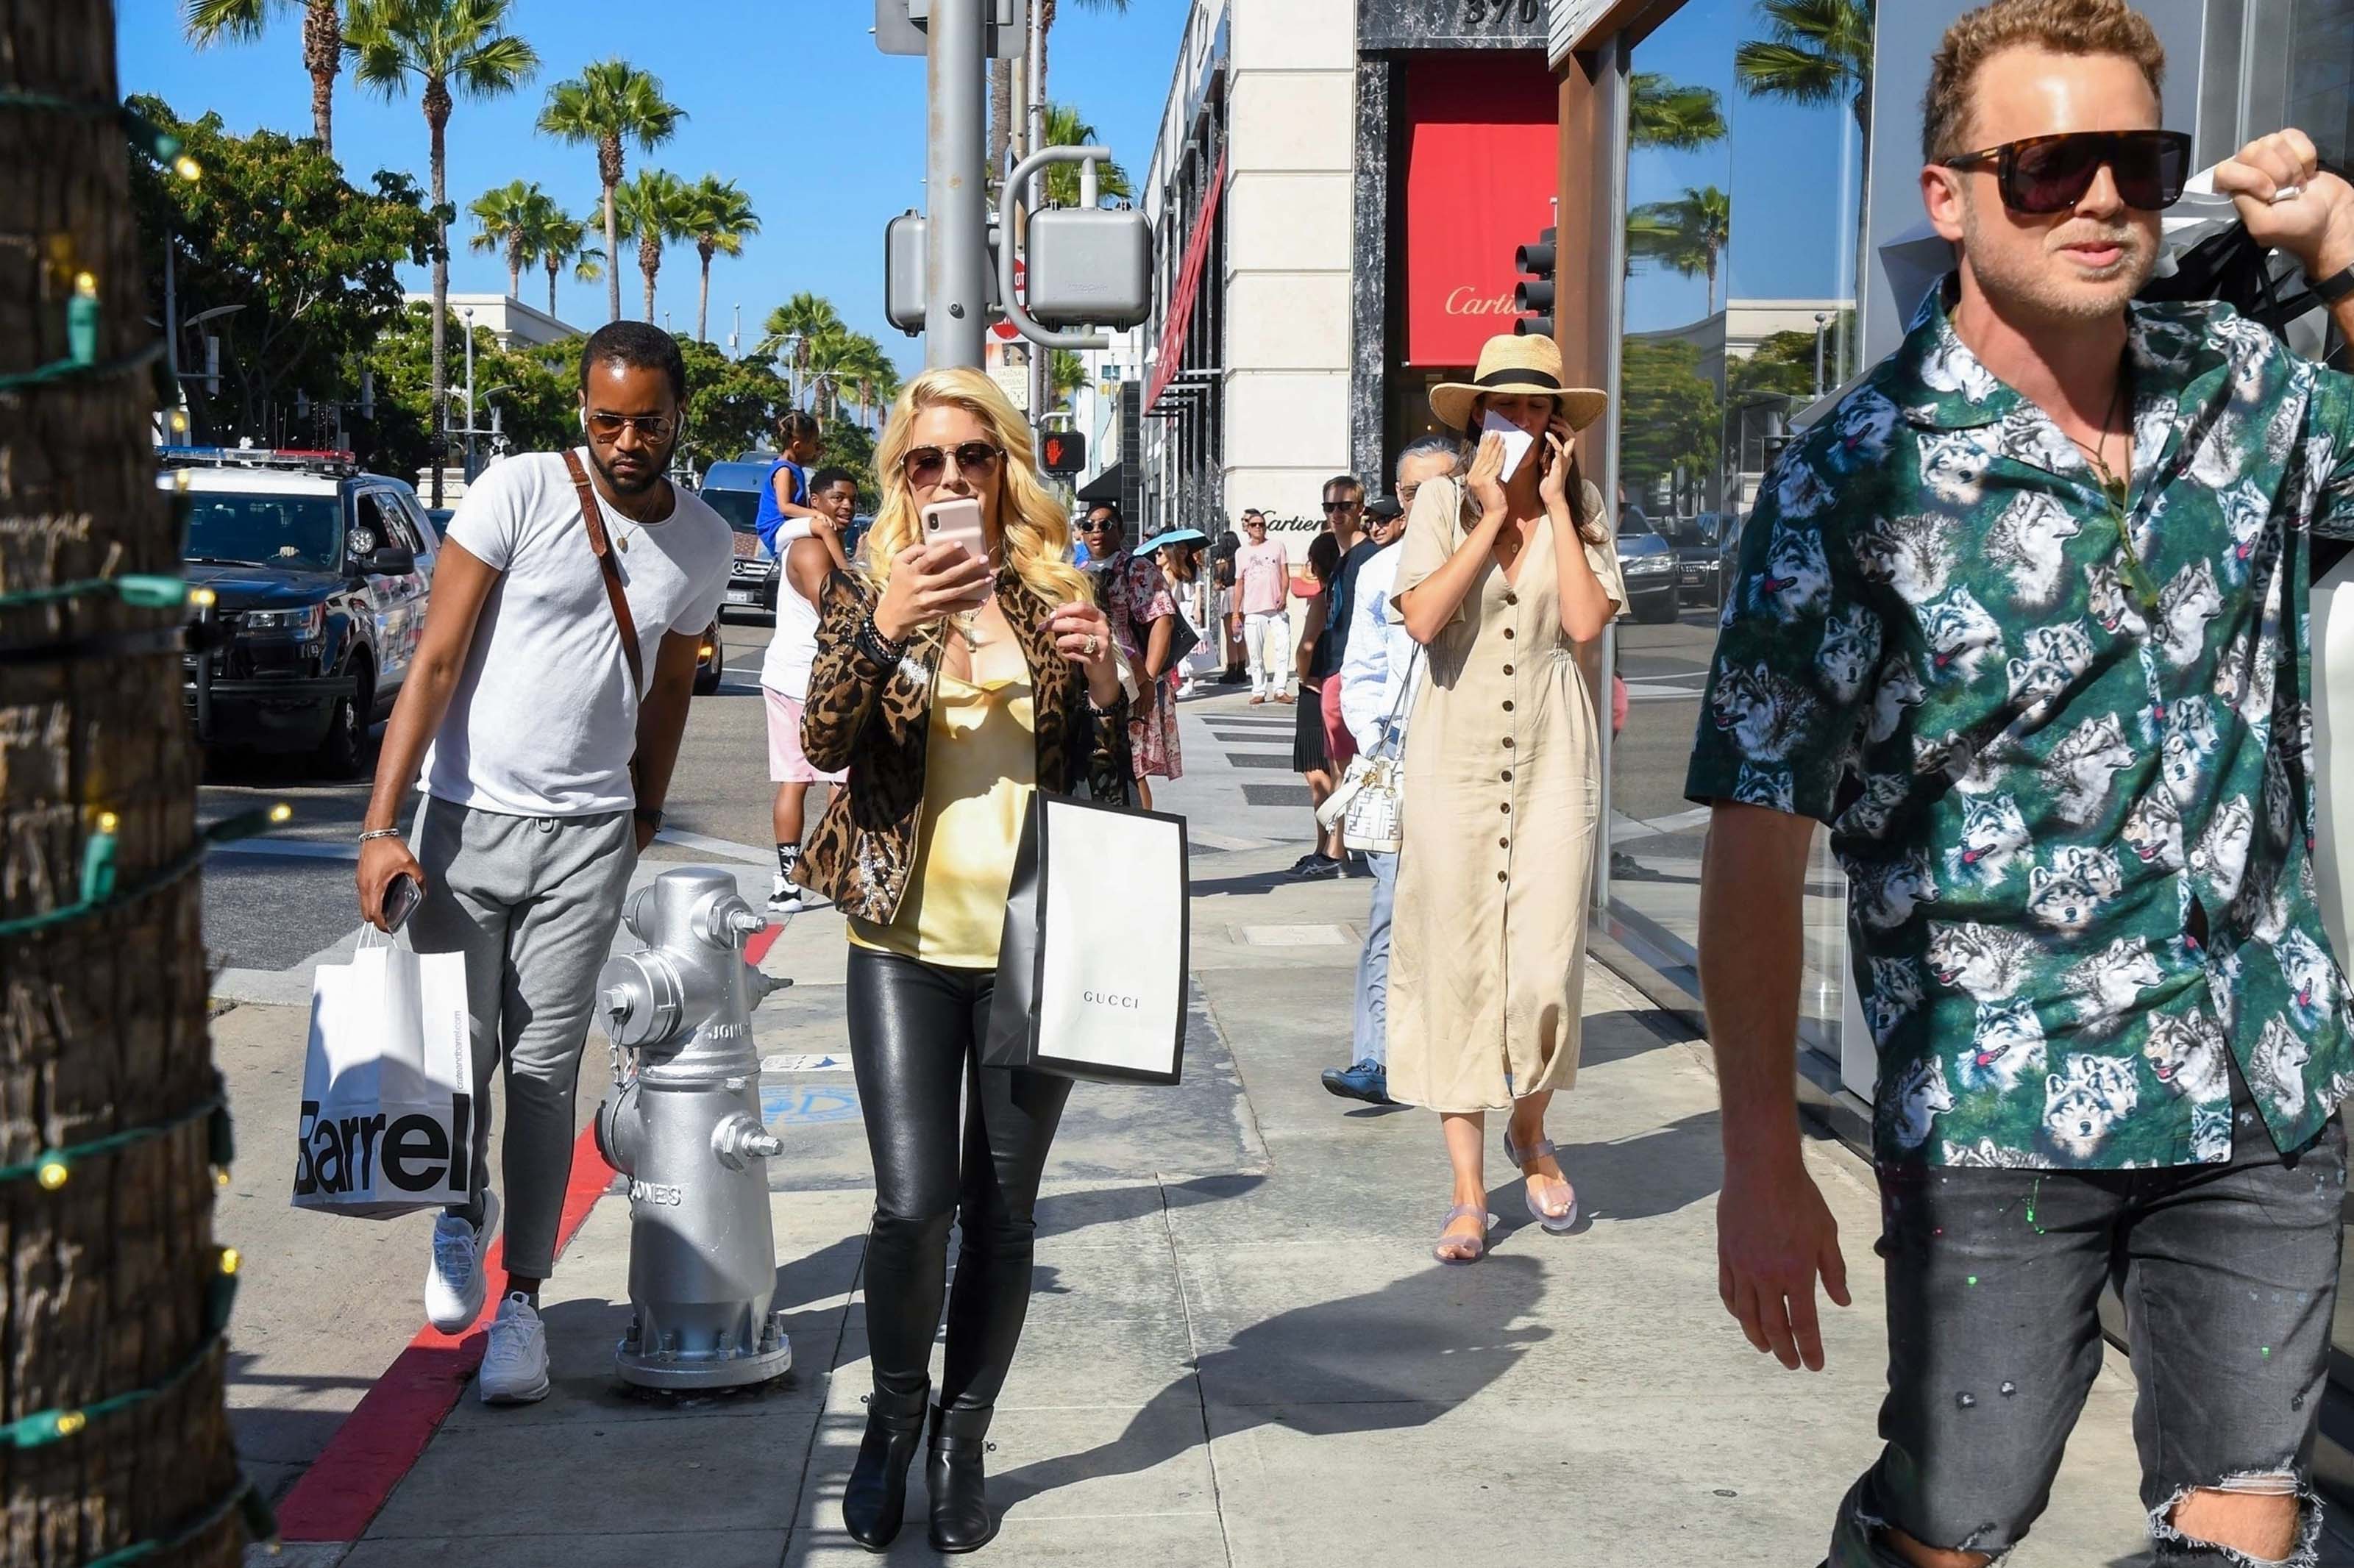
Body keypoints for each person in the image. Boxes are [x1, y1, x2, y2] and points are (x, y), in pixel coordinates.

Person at [1690, 5, 2354, 1563]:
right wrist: (1756, 1163)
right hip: (1996, 1106)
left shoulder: (2242, 392)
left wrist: (2339, 252)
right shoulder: (1855, 474)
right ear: (1950, 195)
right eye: (2048, 167)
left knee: (2246, 1517)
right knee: (1956, 1520)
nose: (2102, 200)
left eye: (2134, 160)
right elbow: (1752, 840)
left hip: (2258, 1076)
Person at [354, 321, 733, 1402]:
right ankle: (458, 1213)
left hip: (591, 838)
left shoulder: (703, 546)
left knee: (543, 1071)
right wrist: (384, 825)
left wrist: (645, 810)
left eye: (646, 422)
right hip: (465, 826)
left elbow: (667, 692)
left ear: (676, 417)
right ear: (584, 411)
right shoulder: (516, 491)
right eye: (606, 419)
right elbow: (433, 661)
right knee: (457, 1058)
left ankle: (523, 1302)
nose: (625, 441)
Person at [795, 366, 1129, 1554]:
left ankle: (964, 1432)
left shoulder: (1054, 591)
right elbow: (822, 738)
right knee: (909, 1201)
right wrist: (885, 626)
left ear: (1007, 471)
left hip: (1035, 950)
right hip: (900, 939)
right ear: (899, 477)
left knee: (1003, 1212)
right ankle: (892, 1417)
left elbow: (1106, 792)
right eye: (924, 462)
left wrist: (1104, 683)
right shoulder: (869, 590)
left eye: (972, 459)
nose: (949, 480)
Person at [1391, 332, 1621, 1265]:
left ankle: (1530, 1124)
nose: (1518, 422)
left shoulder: (1583, 504)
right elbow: (1420, 618)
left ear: (1557, 421)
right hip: (1452, 759)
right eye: (1503, 406)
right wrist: (1488, 516)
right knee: (1454, 964)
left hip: (1552, 759)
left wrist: (1556, 506)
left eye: (1535, 408)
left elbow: (1581, 623)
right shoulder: (1442, 501)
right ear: (1476, 414)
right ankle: (1464, 1187)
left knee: (1541, 966)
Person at [1323, 437, 1461, 1105]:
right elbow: (1362, 667)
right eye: (1411, 493)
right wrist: (1375, 743)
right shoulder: (1379, 571)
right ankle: (1376, 1057)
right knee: (1392, 908)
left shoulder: (1494, 556)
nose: (1424, 502)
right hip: (1399, 759)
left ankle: (1462, 1051)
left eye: (1439, 487)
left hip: (1472, 764)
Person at [760, 464, 857, 914]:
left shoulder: (811, 541)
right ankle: (787, 881)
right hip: (799, 680)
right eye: (837, 498)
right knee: (800, 780)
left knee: (838, 781)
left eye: (853, 500)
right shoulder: (808, 549)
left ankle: (832, 872)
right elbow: (840, 605)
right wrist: (837, 546)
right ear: (814, 502)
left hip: (820, 678)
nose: (846, 506)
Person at [1081, 502, 1184, 810]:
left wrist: (1149, 679)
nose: (1096, 532)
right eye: (1089, 526)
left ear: (1122, 531)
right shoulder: (1078, 572)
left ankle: (1141, 835)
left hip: (1131, 679)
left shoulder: (1137, 568)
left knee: (1132, 766)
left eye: (1105, 525)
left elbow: (1162, 620)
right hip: (1089, 681)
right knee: (1098, 758)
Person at [1284, 533, 1353, 880]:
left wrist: (1302, 673)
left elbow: (1306, 646)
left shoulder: (1322, 599)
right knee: (1334, 770)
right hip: (1338, 683)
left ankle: (1326, 847)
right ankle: (1331, 847)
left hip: (1317, 687)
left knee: (1317, 775)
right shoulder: (1345, 596)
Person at [1234, 510, 1292, 704]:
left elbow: (1285, 573)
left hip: (1276, 608)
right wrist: (1236, 613)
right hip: (1252, 609)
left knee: (1283, 648)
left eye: (1262, 524)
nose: (1258, 527)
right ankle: (1258, 690)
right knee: (1255, 652)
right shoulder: (1241, 552)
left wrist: (1284, 595)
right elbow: (1239, 583)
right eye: (1254, 525)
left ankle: (1280, 689)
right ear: (1248, 529)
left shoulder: (1278, 546)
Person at [756, 409, 825, 557]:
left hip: (787, 525)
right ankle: (844, 568)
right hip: (776, 528)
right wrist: (816, 514)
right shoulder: (784, 470)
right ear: (798, 447)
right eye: (814, 443)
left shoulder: (796, 466)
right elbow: (785, 507)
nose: (816, 448)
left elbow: (811, 460)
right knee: (823, 527)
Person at [1153, 530, 1212, 698]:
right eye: (1180, 549)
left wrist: (1197, 609)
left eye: (1186, 549)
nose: (1183, 552)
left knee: (1187, 647)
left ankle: (1187, 682)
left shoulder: (1184, 570)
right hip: (1179, 610)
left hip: (1185, 609)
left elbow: (1198, 589)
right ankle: (1177, 682)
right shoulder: (1172, 571)